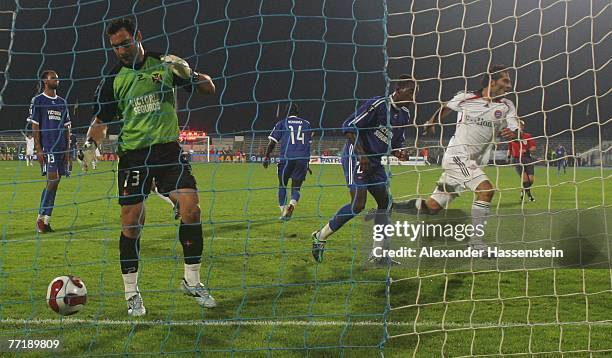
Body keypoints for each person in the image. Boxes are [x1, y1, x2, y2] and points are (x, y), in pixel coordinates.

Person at [82, 17, 217, 316]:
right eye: (115, 47)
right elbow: (101, 121)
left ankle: (192, 281)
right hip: (133, 155)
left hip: (168, 150)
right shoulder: (113, 79)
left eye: (125, 43)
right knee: (132, 223)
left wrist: (191, 74)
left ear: (138, 37)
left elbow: (209, 88)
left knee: (191, 208)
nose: (121, 50)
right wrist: (91, 145)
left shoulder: (165, 64)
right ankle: (132, 294)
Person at [395, 65, 519, 253]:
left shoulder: (506, 105)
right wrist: (432, 121)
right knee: (486, 190)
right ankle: (476, 244)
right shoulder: (466, 97)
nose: (509, 86)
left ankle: (392, 207)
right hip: (457, 157)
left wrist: (515, 132)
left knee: (432, 207)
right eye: (505, 81)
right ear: (492, 81)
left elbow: (515, 125)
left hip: (472, 163)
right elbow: (446, 107)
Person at [310, 75, 416, 264]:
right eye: (410, 92)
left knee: (386, 203)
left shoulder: (405, 114)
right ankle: (320, 236)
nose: (413, 97)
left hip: (374, 162)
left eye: (414, 93)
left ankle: (378, 254)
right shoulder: (378, 104)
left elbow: (396, 141)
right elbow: (349, 126)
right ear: (398, 90)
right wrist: (361, 154)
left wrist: (400, 152)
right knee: (358, 205)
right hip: (356, 156)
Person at [28, 69, 72, 233]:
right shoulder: (38, 100)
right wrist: (38, 149)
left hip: (61, 147)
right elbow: (35, 126)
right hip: (48, 147)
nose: (57, 80)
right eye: (54, 78)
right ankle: (40, 218)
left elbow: (67, 128)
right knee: (53, 180)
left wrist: (68, 151)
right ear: (45, 81)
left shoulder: (62, 102)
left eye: (57, 78)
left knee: (55, 182)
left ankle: (45, 221)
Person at [263, 104, 313, 220]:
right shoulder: (306, 124)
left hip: (286, 158)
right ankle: (292, 204)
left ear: (286, 112)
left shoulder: (282, 123)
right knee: (296, 188)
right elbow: (308, 144)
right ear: (298, 112)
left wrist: (267, 156)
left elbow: (272, 142)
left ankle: (284, 212)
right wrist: (307, 163)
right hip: (302, 159)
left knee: (282, 185)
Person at [507, 120, 536, 202]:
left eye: (521, 125)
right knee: (525, 180)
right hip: (517, 160)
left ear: (523, 127)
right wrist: (508, 156)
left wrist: (526, 150)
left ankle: (523, 190)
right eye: (518, 125)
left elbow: (533, 148)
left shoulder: (528, 136)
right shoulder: (511, 137)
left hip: (528, 159)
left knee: (531, 180)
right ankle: (530, 196)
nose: (520, 127)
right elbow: (509, 148)